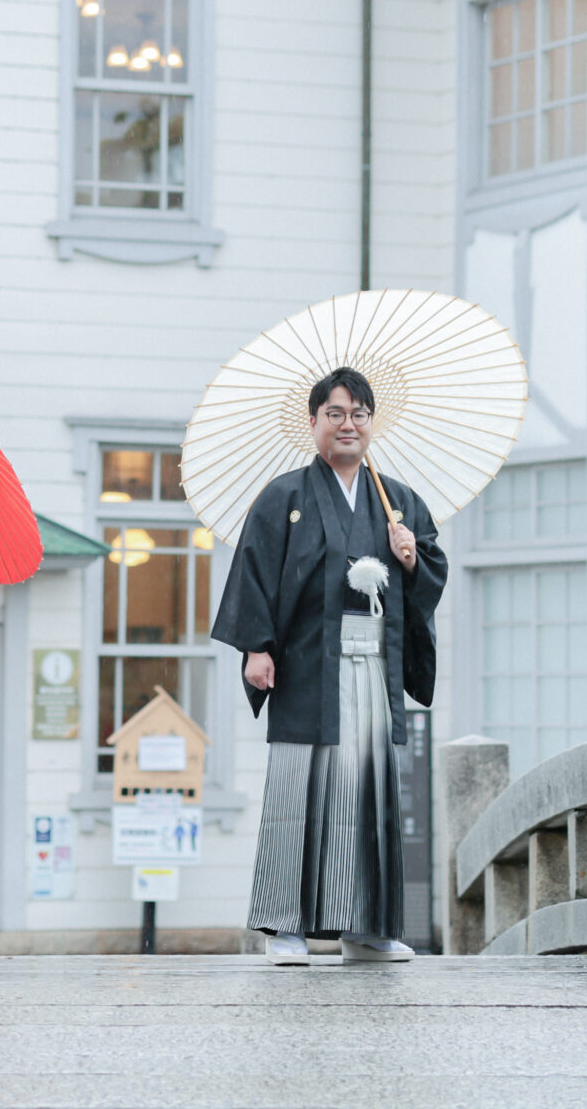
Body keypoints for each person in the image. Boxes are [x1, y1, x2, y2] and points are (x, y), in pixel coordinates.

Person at [211, 367, 448, 965]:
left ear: (372, 423)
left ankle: (366, 928)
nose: (348, 425)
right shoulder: (283, 497)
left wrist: (411, 558)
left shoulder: (399, 503)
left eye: (359, 414)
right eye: (335, 414)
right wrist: (257, 647)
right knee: (297, 789)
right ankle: (285, 927)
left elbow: (430, 576)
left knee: (368, 792)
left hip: (373, 666)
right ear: (313, 421)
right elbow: (254, 572)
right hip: (306, 665)